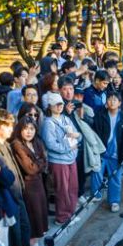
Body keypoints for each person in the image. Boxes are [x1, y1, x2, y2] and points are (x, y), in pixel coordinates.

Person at [90, 91, 123, 213]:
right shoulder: (100, 115)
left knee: (115, 178)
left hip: (116, 153)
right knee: (96, 173)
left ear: (120, 103)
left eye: (115, 99)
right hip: (101, 152)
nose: (112, 101)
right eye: (109, 99)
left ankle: (114, 201)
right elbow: (95, 133)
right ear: (106, 102)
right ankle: (96, 195)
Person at [11, 117, 49, 246]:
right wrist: (40, 162)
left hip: (38, 182)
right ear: (20, 129)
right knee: (33, 214)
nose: (29, 132)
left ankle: (37, 243)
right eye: (25, 128)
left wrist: (39, 162)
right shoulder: (17, 144)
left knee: (41, 212)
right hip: (28, 184)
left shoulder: (36, 142)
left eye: (32, 128)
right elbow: (30, 168)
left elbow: (44, 160)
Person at [40, 92, 79, 224]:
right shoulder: (48, 123)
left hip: (71, 158)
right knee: (62, 190)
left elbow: (76, 134)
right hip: (58, 161)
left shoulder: (66, 119)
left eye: (61, 103)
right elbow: (50, 144)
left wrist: (74, 140)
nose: (59, 106)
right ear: (49, 106)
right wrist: (69, 145)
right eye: (56, 104)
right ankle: (62, 217)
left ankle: (71, 212)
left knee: (73, 187)